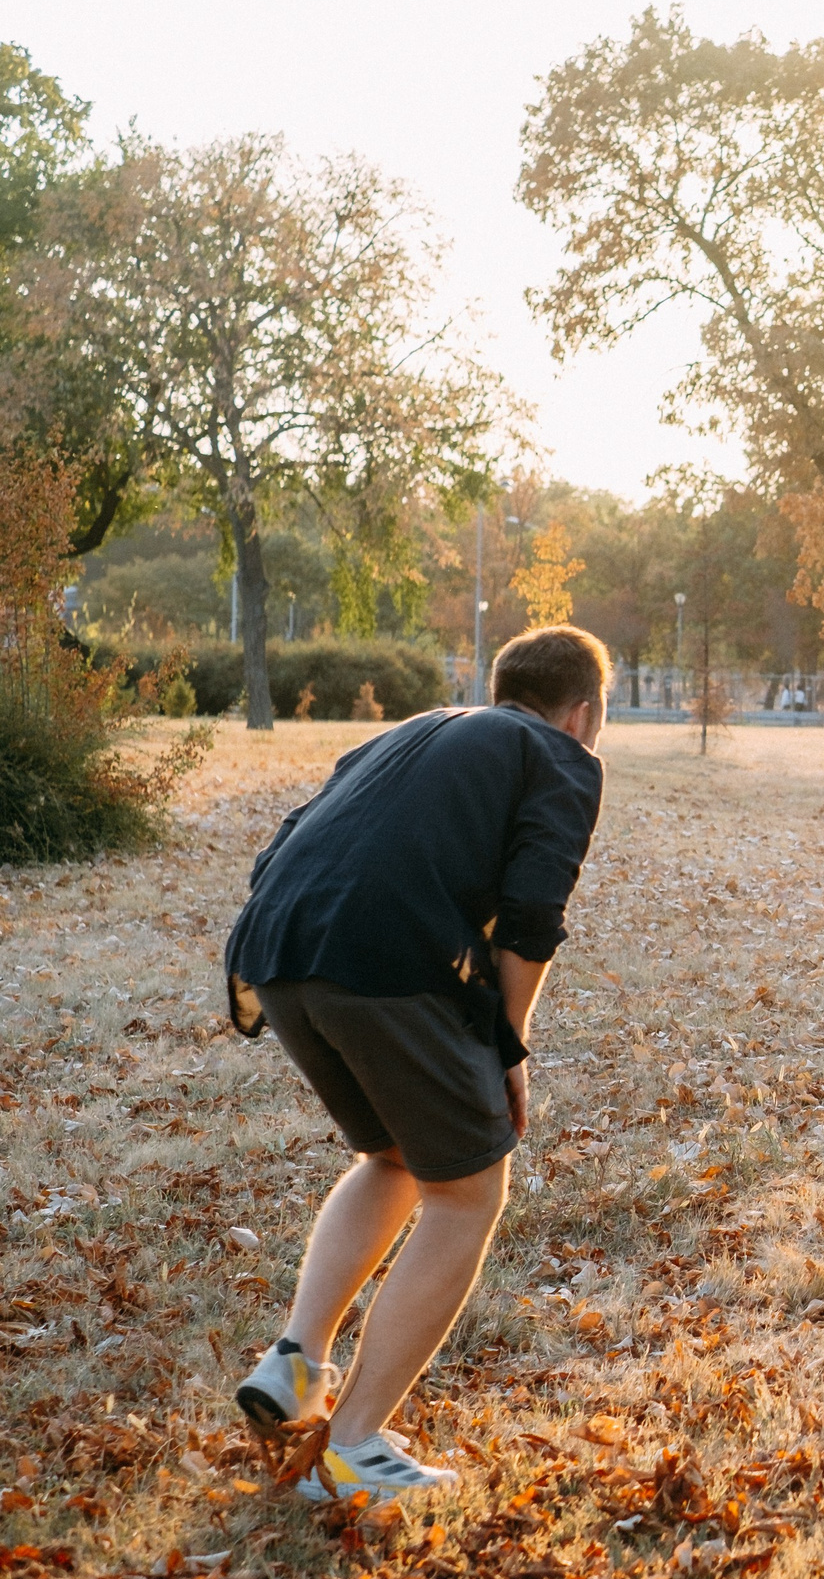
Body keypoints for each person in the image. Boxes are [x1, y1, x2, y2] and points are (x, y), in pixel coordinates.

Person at [224, 626, 612, 1501]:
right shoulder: (558, 752)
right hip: (379, 957)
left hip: (277, 945)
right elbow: (531, 915)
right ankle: (351, 1448)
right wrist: (506, 1044)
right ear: (583, 712)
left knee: (396, 1155)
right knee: (469, 1189)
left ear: (498, 682)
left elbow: (289, 836)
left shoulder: (406, 729)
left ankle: (297, 1360)